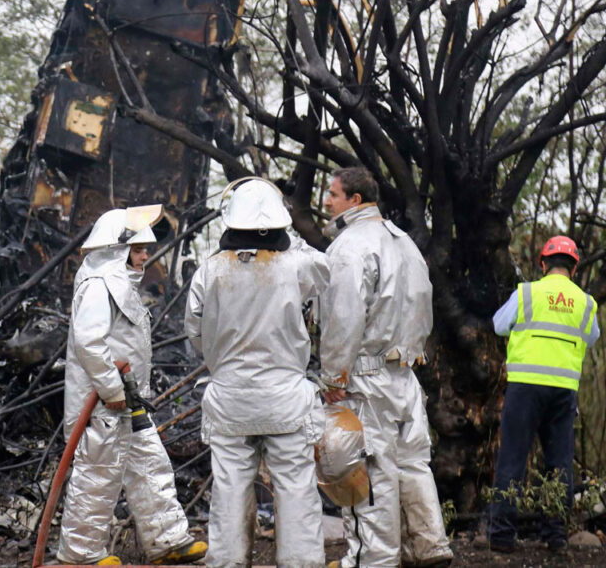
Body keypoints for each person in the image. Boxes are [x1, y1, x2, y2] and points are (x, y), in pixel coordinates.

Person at [183, 177, 329, 568]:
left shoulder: (209, 271)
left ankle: (228, 562)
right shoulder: (298, 264)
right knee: (296, 488)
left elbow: (194, 333)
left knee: (229, 490)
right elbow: (325, 270)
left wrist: (222, 357)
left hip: (229, 397)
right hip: (285, 399)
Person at [57, 205, 207, 566]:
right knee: (97, 477)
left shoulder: (117, 284)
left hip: (126, 400)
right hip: (102, 407)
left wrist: (122, 392)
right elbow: (90, 344)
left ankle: (167, 541)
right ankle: (80, 558)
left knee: (150, 466)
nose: (144, 257)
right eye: (138, 250)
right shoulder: (97, 286)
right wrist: (110, 390)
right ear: (116, 249)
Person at [319, 167, 453, 568]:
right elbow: (423, 307)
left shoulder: (348, 247)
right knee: (413, 462)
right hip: (405, 374)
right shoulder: (405, 243)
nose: (327, 201)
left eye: (333, 194)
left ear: (354, 200)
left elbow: (343, 318)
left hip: (365, 375)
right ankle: (428, 544)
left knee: (369, 469)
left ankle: (374, 560)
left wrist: (333, 376)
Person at [486, 235, 600, 553]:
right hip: (564, 392)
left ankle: (502, 537)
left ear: (543, 263)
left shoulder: (527, 293)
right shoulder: (585, 302)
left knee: (512, 459)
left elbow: (498, 325)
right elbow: (591, 337)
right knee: (560, 464)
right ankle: (556, 537)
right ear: (574, 269)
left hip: (524, 388)